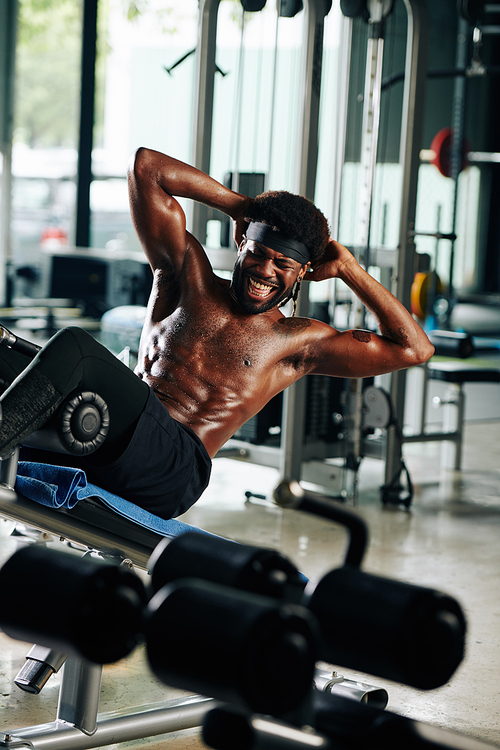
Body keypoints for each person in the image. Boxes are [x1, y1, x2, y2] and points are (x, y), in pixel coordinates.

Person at [0, 147, 434, 519]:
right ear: (242, 240)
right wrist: (241, 206)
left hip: (172, 469)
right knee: (5, 348)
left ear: (302, 272)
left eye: (282, 265)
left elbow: (414, 349)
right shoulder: (185, 275)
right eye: (259, 253)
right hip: (107, 433)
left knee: (77, 347)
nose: (265, 271)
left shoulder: (299, 342)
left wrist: (349, 269)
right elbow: (146, 168)